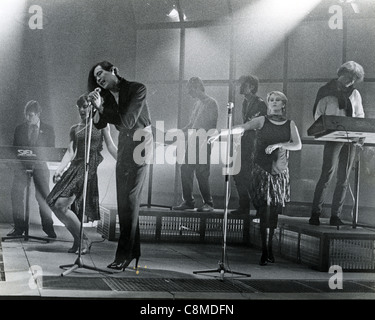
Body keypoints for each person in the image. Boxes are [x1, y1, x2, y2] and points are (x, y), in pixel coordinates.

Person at [209, 91, 302, 266]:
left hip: (280, 171)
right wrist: (222, 133)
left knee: (273, 211)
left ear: (283, 104)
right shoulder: (262, 121)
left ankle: (269, 247)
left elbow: (297, 144)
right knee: (264, 209)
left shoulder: (290, 124)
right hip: (262, 170)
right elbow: (242, 127)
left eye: (277, 100)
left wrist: (280, 144)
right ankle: (265, 250)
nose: (273, 103)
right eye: (271, 100)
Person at [87, 60, 153, 271]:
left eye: (100, 74)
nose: (98, 79)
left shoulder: (137, 88)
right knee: (124, 199)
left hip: (141, 142)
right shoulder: (106, 96)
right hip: (126, 142)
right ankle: (133, 251)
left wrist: (102, 108)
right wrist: (96, 108)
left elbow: (127, 121)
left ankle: (123, 254)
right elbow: (99, 123)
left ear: (113, 70)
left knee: (130, 200)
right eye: (95, 78)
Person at [46, 94, 117, 254]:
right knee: (55, 203)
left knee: (61, 205)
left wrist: (124, 162)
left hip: (88, 170)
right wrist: (59, 169)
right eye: (80, 107)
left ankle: (84, 239)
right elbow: (70, 152)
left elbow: (111, 146)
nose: (82, 110)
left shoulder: (102, 125)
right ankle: (79, 240)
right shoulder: (75, 129)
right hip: (74, 168)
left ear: (92, 107)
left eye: (85, 106)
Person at [309, 61, 365, 227]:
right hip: (333, 138)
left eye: (354, 79)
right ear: (342, 74)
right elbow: (318, 115)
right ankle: (315, 214)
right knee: (327, 175)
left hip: (350, 139)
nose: (351, 82)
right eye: (349, 77)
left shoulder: (355, 94)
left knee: (343, 178)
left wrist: (359, 134)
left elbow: (359, 115)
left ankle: (335, 216)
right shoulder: (326, 91)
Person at [7, 100, 57, 238]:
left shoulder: (48, 129)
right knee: (16, 194)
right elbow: (15, 149)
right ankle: (19, 228)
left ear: (38, 114)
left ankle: (48, 228)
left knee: (44, 197)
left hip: (40, 166)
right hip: (22, 167)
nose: (28, 118)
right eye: (26, 115)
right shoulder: (20, 129)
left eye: (31, 115)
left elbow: (51, 150)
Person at [172, 77, 219, 213]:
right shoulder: (197, 104)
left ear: (198, 87)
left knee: (202, 173)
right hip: (193, 142)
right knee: (185, 169)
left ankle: (208, 203)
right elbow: (191, 125)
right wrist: (179, 132)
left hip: (203, 141)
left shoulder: (211, 103)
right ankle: (188, 201)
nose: (189, 93)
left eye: (190, 89)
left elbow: (209, 126)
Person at [231, 75, 267, 215]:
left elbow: (254, 124)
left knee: (249, 176)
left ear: (252, 86)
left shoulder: (260, 104)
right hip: (246, 142)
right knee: (238, 174)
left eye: (243, 84)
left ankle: (258, 207)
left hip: (254, 145)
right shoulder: (246, 102)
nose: (240, 87)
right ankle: (245, 205)